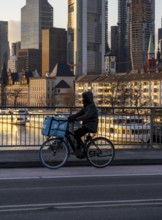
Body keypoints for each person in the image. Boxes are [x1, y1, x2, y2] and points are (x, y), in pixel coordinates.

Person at [68, 91, 98, 157]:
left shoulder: (91, 106)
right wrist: (71, 117)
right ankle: (81, 149)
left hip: (91, 126)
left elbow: (87, 116)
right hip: (87, 125)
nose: (83, 100)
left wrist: (77, 119)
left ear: (88, 99)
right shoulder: (85, 106)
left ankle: (80, 149)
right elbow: (79, 113)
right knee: (76, 134)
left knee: (76, 134)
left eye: (85, 98)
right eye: (83, 98)